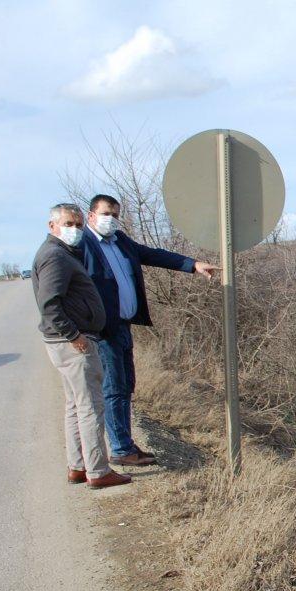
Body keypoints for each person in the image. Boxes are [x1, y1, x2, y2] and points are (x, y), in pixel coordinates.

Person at [82, 194, 219, 466]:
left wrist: (192, 265)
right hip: (102, 331)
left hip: (123, 325)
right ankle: (121, 449)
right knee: (114, 388)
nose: (112, 219)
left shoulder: (120, 241)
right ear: (91, 215)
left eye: (117, 215)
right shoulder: (82, 245)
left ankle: (126, 443)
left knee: (126, 386)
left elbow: (152, 255)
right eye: (107, 213)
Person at [32, 203, 131, 489]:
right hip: (72, 343)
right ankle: (98, 471)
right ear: (52, 226)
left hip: (67, 341)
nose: (74, 230)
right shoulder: (55, 256)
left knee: (76, 405)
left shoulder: (63, 253)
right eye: (68, 224)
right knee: (90, 406)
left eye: (77, 224)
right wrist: (74, 335)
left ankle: (78, 467)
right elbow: (49, 303)